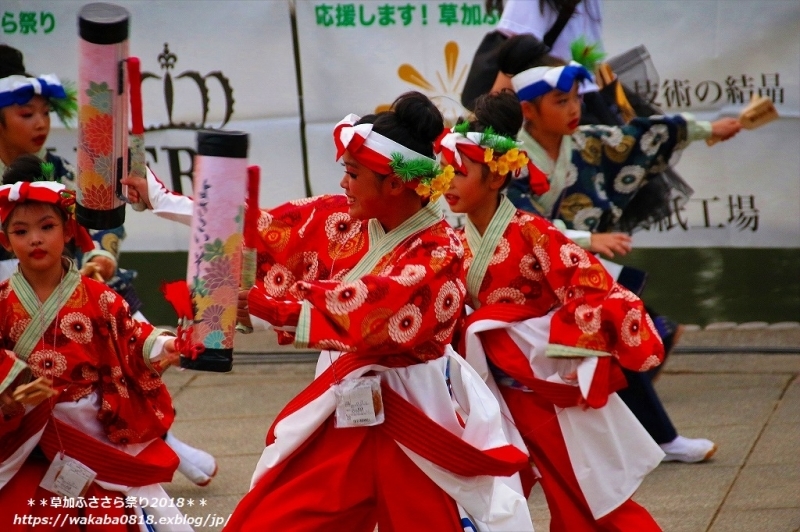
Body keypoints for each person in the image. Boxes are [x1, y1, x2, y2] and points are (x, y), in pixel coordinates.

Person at [227, 92, 534, 531]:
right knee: (275, 520)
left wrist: (276, 309)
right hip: (346, 404)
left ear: (394, 182)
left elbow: (378, 306)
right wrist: (169, 199)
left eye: (353, 174)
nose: (343, 185)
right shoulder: (346, 221)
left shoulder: (440, 249)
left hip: (411, 408)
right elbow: (261, 224)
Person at [437, 90, 664, 531]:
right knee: (488, 503)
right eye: (444, 172)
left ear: (496, 178)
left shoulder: (533, 233)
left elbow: (594, 289)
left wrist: (547, 338)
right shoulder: (450, 241)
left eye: (459, 173)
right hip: (491, 395)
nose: (447, 184)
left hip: (542, 393)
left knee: (588, 501)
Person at [0, 43, 219, 487]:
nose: (41, 123)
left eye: (45, 112)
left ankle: (161, 439)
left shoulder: (57, 168)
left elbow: (94, 219)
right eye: (27, 114)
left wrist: (100, 253)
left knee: (116, 318)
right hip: (20, 325)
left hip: (73, 285)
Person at [508, 61, 741, 463]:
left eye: (577, 99)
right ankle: (661, 439)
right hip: (530, 276)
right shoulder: (508, 158)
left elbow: (639, 136)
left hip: (575, 272)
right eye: (561, 101)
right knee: (622, 332)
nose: (574, 109)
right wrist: (587, 238)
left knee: (651, 332)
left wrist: (706, 130)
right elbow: (518, 219)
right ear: (528, 110)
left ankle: (632, 428)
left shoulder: (585, 142)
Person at [0, 155, 191, 530]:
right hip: (26, 435)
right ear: (5, 241)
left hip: (91, 427)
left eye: (47, 226)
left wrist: (164, 347)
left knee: (120, 516)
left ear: (69, 230)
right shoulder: (3, 301)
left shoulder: (99, 297)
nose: (35, 239)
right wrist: (9, 389)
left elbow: (133, 338)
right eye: (21, 232)